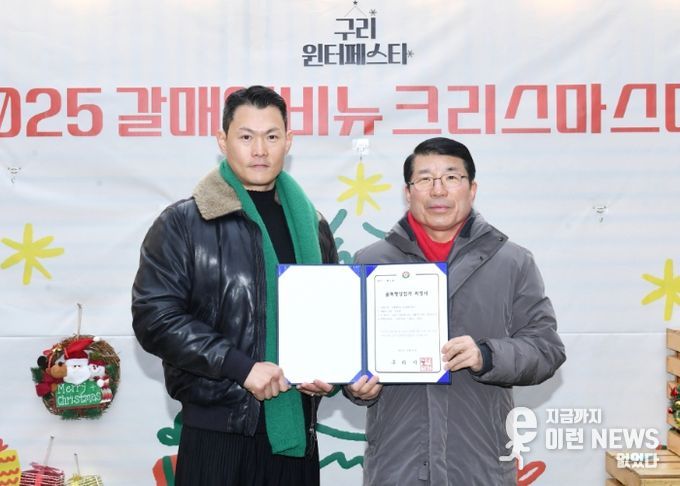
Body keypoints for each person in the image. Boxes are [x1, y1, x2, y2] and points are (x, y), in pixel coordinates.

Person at [132, 85, 337, 486]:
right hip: (217, 433)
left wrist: (332, 371)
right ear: (222, 141)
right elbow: (154, 317)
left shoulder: (312, 226)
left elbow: (331, 314)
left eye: (271, 136)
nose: (259, 150)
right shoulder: (184, 223)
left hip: (295, 434)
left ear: (288, 141)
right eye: (246, 136)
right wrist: (240, 368)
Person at [343, 137, 566, 485]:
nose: (438, 190)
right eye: (425, 179)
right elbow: (349, 354)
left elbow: (546, 349)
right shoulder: (370, 262)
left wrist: (486, 355)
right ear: (408, 192)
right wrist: (356, 387)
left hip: (480, 466)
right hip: (397, 467)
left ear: (472, 189)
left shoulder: (512, 262)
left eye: (451, 177)